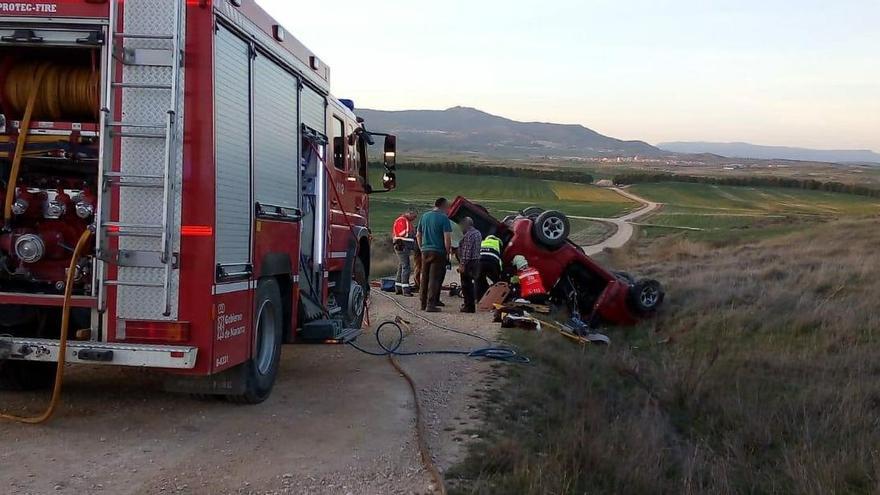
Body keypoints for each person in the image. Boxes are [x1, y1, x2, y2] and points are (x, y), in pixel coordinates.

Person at [416, 197, 452, 312]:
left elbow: (418, 234)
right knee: (434, 278)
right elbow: (447, 238)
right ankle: (431, 305)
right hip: (438, 251)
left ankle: (422, 303)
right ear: (443, 206)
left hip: (425, 251)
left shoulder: (424, 216)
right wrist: (447, 252)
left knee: (424, 277)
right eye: (447, 207)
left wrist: (422, 247)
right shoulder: (444, 218)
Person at [456, 217, 482, 313]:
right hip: (476, 261)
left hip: (469, 262)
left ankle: (468, 306)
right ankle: (471, 303)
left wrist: (462, 265)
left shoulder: (468, 235)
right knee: (472, 284)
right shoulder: (478, 233)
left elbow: (467, 252)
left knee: (466, 285)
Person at [392, 208, 417, 296]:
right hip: (402, 246)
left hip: (403, 246)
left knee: (401, 266)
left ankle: (398, 287)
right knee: (406, 267)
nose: (414, 218)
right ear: (409, 213)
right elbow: (402, 234)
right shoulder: (402, 220)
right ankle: (405, 289)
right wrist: (412, 233)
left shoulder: (406, 221)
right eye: (414, 216)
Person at [477, 234, 503, 299]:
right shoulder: (497, 243)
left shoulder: (482, 243)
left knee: (479, 280)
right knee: (497, 281)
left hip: (479, 263)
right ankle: (499, 297)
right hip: (492, 262)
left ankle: (479, 298)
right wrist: (500, 273)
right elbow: (500, 260)